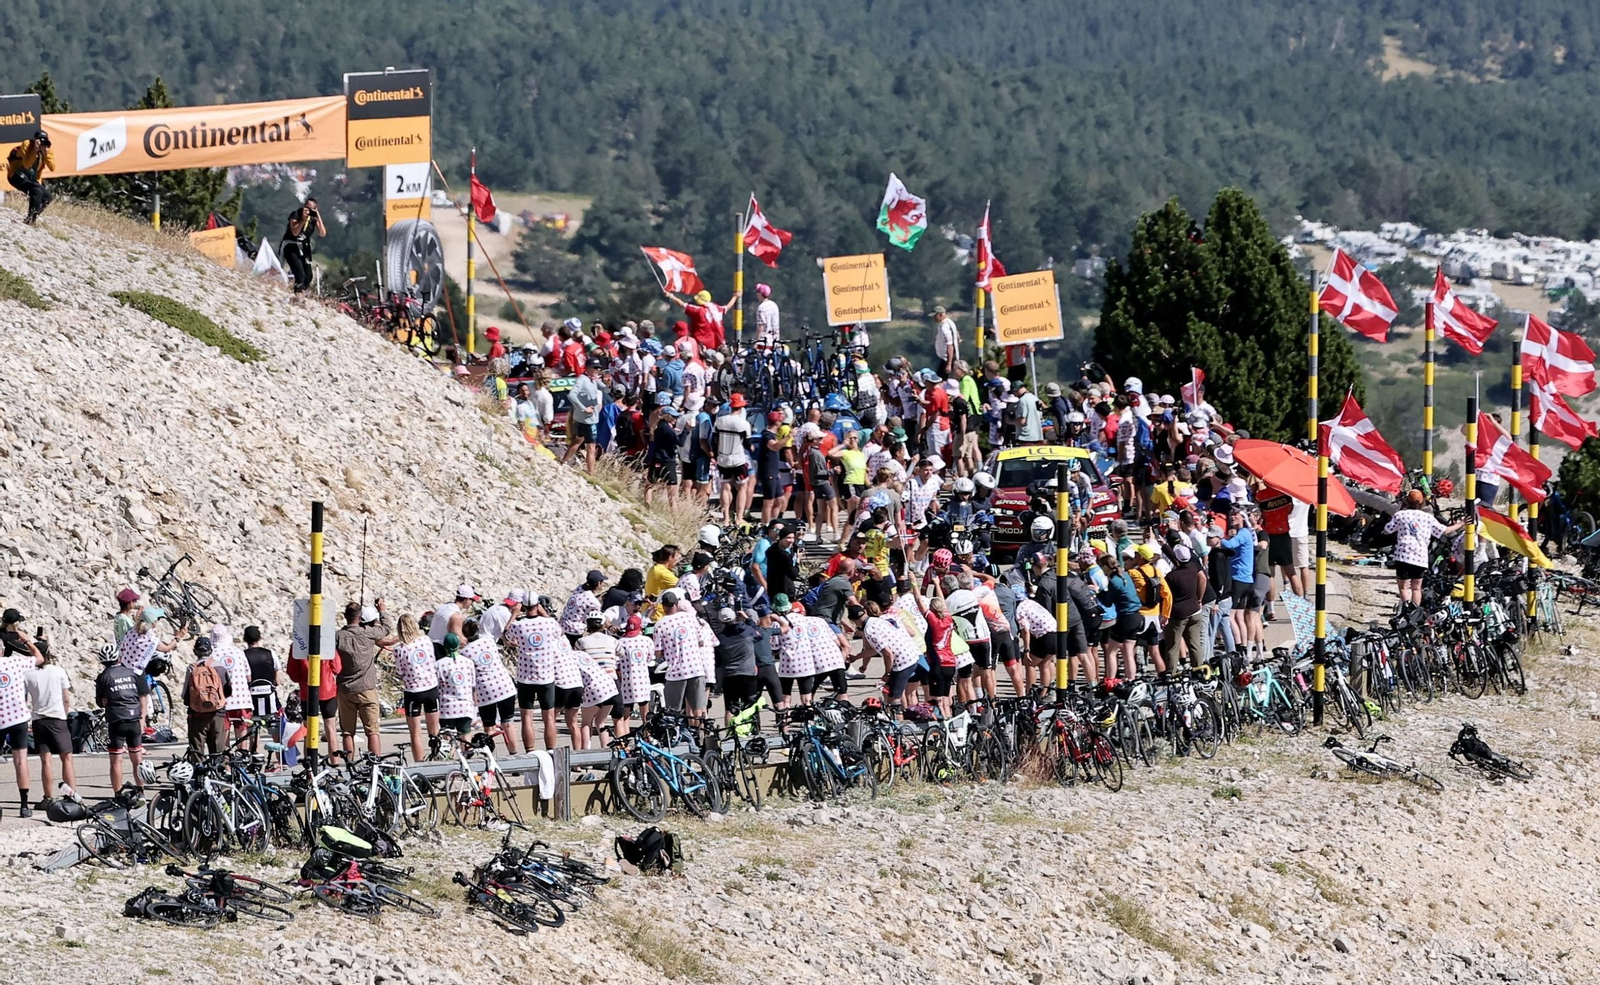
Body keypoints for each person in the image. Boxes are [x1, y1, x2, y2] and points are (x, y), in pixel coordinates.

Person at [504, 595, 577, 751]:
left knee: (526, 718)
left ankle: (530, 750)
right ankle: (550, 750)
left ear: (523, 606)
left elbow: (507, 636)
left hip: (526, 678)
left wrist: (514, 615)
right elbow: (559, 631)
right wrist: (544, 613)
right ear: (537, 605)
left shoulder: (519, 625)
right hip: (546, 677)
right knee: (549, 718)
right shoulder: (549, 623)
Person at [334, 600, 396, 757]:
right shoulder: (368, 633)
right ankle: (374, 765)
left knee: (347, 732)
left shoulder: (338, 637)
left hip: (345, 689)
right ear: (360, 617)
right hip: (367, 688)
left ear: (345, 616)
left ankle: (349, 763)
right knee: (372, 731)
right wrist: (382, 610)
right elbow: (387, 628)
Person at [1384, 490, 1463, 606]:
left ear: (1406, 501)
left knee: (1403, 587)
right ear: (1422, 503)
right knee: (1416, 588)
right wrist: (1461, 524)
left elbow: (1387, 530)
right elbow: (1444, 531)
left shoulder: (1400, 515)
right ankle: (1415, 612)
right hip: (1420, 557)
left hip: (1403, 555)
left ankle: (1406, 609)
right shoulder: (1428, 517)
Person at [25, 637, 76, 807]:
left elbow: (24, 699)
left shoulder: (28, 674)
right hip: (57, 718)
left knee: (46, 760)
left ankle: (48, 797)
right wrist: (65, 715)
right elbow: (66, 698)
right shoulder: (58, 671)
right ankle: (72, 796)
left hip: (39, 719)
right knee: (66, 758)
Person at [95, 645, 149, 802]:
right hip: (134, 719)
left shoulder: (103, 676)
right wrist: (143, 716)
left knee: (116, 761)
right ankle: (141, 792)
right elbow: (143, 694)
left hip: (116, 720)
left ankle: (118, 794)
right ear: (119, 657)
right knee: (137, 759)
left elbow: (101, 702)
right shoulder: (132, 671)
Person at [461, 618, 520, 754]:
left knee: (489, 727)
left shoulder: (465, 653)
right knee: (508, 723)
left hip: (485, 692)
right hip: (504, 686)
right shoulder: (489, 641)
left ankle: (491, 757)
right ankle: (514, 755)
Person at [389, 614, 438, 763]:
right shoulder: (426, 641)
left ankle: (419, 763)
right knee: (434, 728)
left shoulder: (399, 649)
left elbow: (400, 672)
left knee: (415, 733)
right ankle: (436, 758)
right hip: (431, 686)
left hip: (413, 691)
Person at [654, 592, 707, 716]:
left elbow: (658, 653)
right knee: (698, 709)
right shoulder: (689, 618)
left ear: (663, 606)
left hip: (676, 672)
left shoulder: (660, 625)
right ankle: (699, 734)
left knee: (673, 711)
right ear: (676, 604)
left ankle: (676, 734)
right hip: (695, 668)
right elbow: (701, 641)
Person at [182, 636, 230, 756]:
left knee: (197, 752)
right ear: (211, 650)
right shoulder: (220, 667)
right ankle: (218, 772)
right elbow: (228, 691)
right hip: (217, 714)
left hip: (197, 716)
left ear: (195, 651)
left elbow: (185, 696)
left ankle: (201, 773)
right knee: (218, 752)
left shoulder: (192, 668)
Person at [714, 394, 754, 526]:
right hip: (738, 458)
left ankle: (726, 518)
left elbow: (714, 440)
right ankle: (739, 517)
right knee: (742, 487)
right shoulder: (744, 423)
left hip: (723, 458)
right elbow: (747, 444)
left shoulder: (720, 420)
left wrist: (715, 455)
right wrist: (752, 447)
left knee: (725, 488)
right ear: (741, 407)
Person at [433, 633, 477, 742]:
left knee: (448, 739)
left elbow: (436, 686)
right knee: (465, 735)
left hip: (447, 707)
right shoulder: (468, 662)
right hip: (466, 706)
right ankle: (467, 756)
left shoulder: (439, 664)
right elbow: (473, 686)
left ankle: (449, 757)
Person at [564, 360, 606, 472]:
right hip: (588, 419)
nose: (597, 370)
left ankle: (563, 462)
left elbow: (605, 389)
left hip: (586, 418)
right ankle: (590, 473)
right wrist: (583, 408)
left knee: (578, 440)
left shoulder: (593, 380)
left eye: (598, 368)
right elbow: (572, 395)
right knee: (591, 448)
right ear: (587, 368)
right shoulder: (582, 379)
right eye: (594, 367)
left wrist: (607, 382)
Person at [6, 130, 54, 225]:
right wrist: (34, 150)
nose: (42, 144)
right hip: (16, 174)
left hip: (30, 178)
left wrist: (46, 155)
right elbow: (27, 164)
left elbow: (52, 167)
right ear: (35, 140)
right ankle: (30, 219)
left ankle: (32, 218)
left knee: (48, 197)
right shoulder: (27, 144)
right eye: (40, 141)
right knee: (37, 191)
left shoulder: (47, 150)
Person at [280, 197, 326, 293]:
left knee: (308, 276)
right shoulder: (296, 214)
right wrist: (303, 220)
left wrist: (317, 215)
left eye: (311, 209)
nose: (308, 211)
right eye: (306, 207)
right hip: (291, 245)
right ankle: (298, 295)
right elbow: (295, 232)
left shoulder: (314, 218)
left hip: (304, 248)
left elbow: (322, 233)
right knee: (300, 274)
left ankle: (300, 292)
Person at [426, 584, 476, 657]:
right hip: (440, 650)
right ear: (467, 599)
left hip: (429, 644)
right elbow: (459, 641)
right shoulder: (456, 616)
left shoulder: (443, 606)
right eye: (472, 600)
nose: (472, 603)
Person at [931, 305, 960, 378]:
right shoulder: (949, 323)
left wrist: (949, 364)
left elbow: (949, 345)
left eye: (935, 316)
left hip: (947, 359)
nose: (934, 318)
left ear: (940, 315)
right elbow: (956, 334)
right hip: (945, 358)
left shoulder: (944, 327)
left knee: (940, 379)